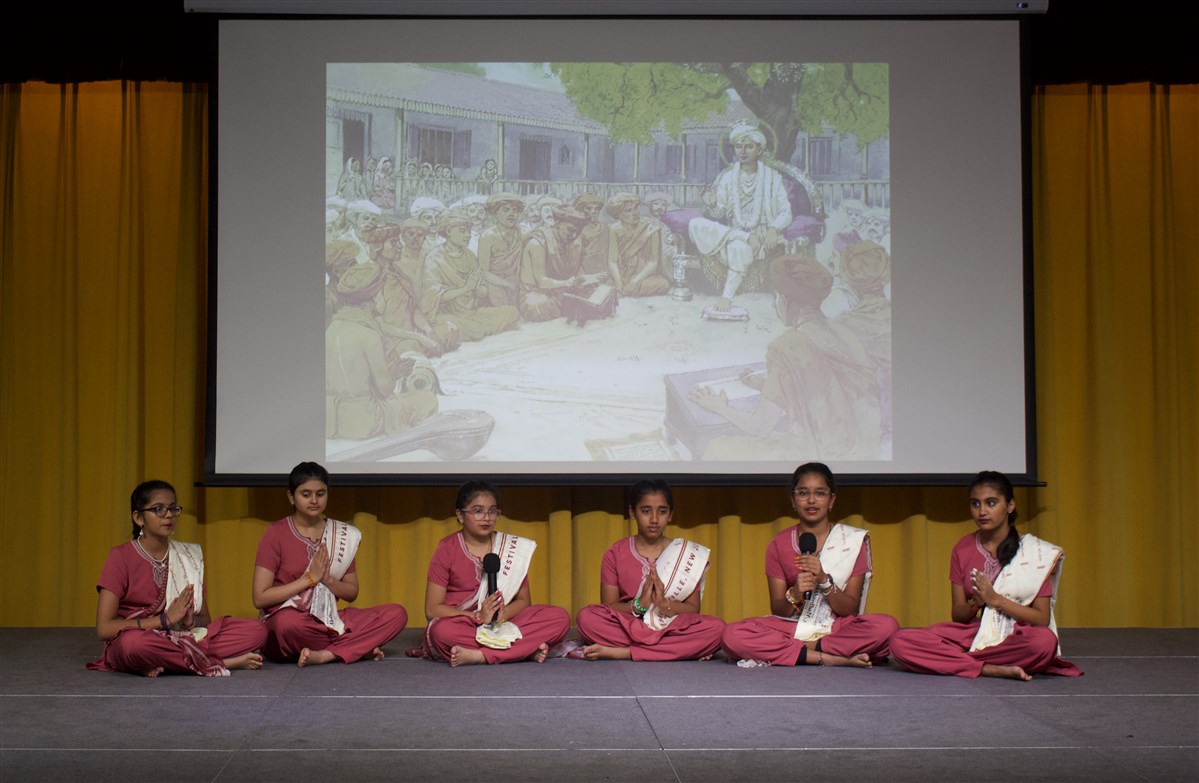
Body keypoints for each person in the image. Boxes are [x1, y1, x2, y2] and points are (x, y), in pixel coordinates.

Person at [889, 472, 1082, 680]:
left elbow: (1041, 619)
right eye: (975, 504)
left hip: (1016, 636)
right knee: (901, 642)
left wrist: (995, 600)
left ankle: (957, 662)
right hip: (975, 634)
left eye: (991, 503)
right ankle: (990, 668)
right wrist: (976, 603)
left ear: (1010, 506)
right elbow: (958, 616)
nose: (982, 511)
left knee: (1044, 642)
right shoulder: (963, 548)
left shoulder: (1034, 553)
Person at [690, 253, 881, 461]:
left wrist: (718, 406)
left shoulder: (788, 346)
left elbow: (760, 426)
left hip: (818, 454)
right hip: (861, 450)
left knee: (717, 447)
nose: (775, 305)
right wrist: (767, 386)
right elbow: (827, 392)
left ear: (785, 300)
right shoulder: (845, 333)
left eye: (776, 297)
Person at [721, 463, 898, 667]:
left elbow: (850, 610)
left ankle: (798, 651)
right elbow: (779, 610)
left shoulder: (851, 541)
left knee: (886, 627)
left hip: (837, 626)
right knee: (732, 634)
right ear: (793, 500)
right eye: (803, 493)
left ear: (831, 500)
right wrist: (795, 593)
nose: (811, 500)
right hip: (793, 626)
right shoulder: (778, 544)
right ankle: (831, 658)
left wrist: (824, 581)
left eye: (820, 493)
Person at [88, 481, 267, 677]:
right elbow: (104, 629)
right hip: (139, 640)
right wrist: (164, 620)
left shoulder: (186, 557)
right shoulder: (121, 557)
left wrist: (189, 622)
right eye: (159, 509)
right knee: (133, 645)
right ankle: (219, 662)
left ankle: (167, 662)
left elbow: (205, 621)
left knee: (257, 630)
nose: (169, 515)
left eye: (173, 508)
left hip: (179, 638)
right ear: (139, 518)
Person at [253, 462, 408, 666]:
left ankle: (326, 655)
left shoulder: (341, 535)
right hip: (290, 621)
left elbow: (351, 592)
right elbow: (260, 598)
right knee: (286, 624)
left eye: (321, 493)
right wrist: (309, 579)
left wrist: (327, 579)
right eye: (306, 494)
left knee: (396, 615)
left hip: (329, 620)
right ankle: (355, 648)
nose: (314, 500)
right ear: (291, 497)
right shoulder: (276, 533)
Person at [413, 480, 570, 666]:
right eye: (478, 511)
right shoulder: (447, 548)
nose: (487, 518)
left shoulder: (511, 548)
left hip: (504, 623)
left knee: (559, 617)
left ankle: (480, 656)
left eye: (492, 511)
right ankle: (523, 651)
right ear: (460, 515)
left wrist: (503, 614)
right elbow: (432, 609)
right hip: (465, 624)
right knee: (441, 632)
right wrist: (478, 616)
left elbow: (524, 601)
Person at [575, 480, 724, 661]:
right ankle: (674, 650)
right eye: (646, 511)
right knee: (586, 618)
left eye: (662, 511)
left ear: (670, 514)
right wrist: (639, 605)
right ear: (632, 512)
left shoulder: (686, 554)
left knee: (717, 628)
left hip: (669, 625)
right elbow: (609, 607)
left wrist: (663, 604)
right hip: (629, 625)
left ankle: (626, 652)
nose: (654, 519)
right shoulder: (614, 554)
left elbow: (693, 609)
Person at [326, 262, 438, 439]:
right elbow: (385, 390)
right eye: (382, 294)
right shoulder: (369, 335)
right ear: (373, 298)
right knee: (427, 399)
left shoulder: (331, 328)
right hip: (364, 419)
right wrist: (395, 373)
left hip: (332, 419)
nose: (385, 299)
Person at [690, 121, 792, 311]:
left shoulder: (772, 177)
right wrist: (713, 204)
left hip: (759, 236)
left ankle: (727, 297)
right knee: (695, 223)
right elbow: (719, 213)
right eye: (738, 146)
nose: (743, 151)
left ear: (759, 149)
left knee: (738, 248)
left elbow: (786, 211)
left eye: (749, 146)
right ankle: (744, 237)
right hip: (733, 233)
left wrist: (773, 229)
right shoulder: (728, 177)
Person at [421, 212, 520, 342]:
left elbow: (482, 289)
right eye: (462, 231)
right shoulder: (434, 258)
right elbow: (435, 296)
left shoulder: (469, 255)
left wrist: (479, 290)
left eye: (469, 231)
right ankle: (481, 329)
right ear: (449, 231)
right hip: (447, 314)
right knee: (465, 327)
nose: (468, 235)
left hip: (472, 313)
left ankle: (479, 328)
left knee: (512, 312)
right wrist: (466, 288)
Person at [606, 193, 671, 297]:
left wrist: (635, 281)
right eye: (628, 211)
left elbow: (653, 262)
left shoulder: (651, 228)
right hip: (623, 275)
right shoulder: (614, 229)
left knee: (664, 284)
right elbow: (612, 261)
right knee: (607, 282)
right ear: (618, 215)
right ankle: (624, 289)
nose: (635, 213)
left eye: (636, 208)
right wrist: (618, 282)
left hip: (643, 277)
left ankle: (626, 290)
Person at [476, 193, 527, 308]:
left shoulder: (523, 233)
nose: (511, 214)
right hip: (495, 282)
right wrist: (508, 284)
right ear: (496, 212)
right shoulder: (487, 236)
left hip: (519, 281)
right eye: (506, 210)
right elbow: (484, 271)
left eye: (515, 210)